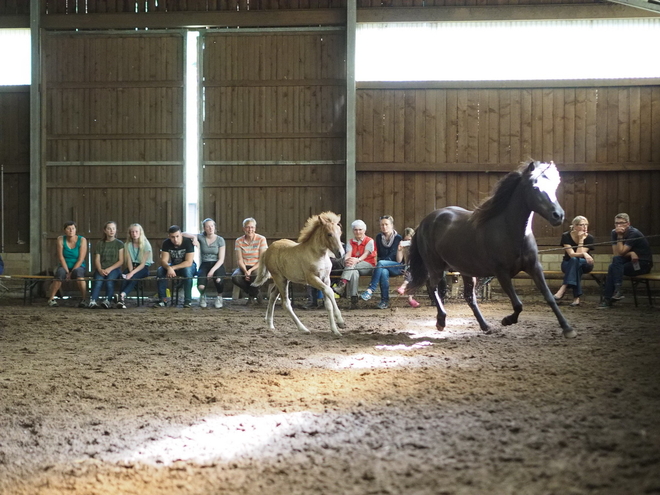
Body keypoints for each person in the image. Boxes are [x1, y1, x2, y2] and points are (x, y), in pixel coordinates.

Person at [599, 213, 653, 309]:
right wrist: (631, 253)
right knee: (614, 265)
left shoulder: (634, 233)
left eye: (621, 223)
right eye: (616, 223)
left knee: (613, 268)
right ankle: (616, 291)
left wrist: (620, 237)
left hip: (643, 263)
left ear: (628, 224)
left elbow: (621, 252)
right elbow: (616, 254)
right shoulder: (614, 232)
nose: (618, 226)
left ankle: (609, 298)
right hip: (628, 261)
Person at [360, 215, 403, 309]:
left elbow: (396, 257)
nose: (384, 227)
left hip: (397, 266)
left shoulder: (398, 238)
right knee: (383, 272)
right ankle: (384, 301)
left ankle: (371, 289)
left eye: (386, 224)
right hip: (383, 266)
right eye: (382, 225)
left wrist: (381, 262)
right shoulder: (379, 237)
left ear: (392, 225)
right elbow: (378, 253)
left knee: (381, 264)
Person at [332, 219, 377, 310]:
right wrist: (347, 260)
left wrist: (357, 260)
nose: (358, 232)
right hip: (354, 266)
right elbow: (348, 254)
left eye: (360, 229)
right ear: (353, 231)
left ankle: (342, 284)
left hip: (368, 265)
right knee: (354, 272)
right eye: (355, 230)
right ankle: (354, 300)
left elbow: (366, 254)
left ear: (364, 230)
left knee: (352, 265)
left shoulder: (369, 241)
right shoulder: (350, 241)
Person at [553, 216, 595, 307]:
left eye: (586, 224)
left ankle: (563, 288)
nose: (585, 227)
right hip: (567, 263)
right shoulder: (566, 236)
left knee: (576, 262)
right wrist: (584, 254)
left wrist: (581, 240)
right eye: (581, 225)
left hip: (585, 263)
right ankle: (576, 298)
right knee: (575, 263)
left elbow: (578, 253)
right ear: (575, 226)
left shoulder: (589, 238)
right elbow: (572, 254)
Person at [46, 221, 88, 307]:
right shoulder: (60, 239)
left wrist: (71, 272)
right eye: (68, 229)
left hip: (78, 265)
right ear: (65, 230)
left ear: (76, 230)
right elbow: (61, 257)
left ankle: (84, 299)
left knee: (79, 274)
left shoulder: (82, 240)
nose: (71, 230)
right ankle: (51, 299)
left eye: (73, 228)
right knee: (59, 273)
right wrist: (67, 271)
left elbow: (81, 259)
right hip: (64, 265)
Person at [187, 218, 226, 309]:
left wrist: (212, 271)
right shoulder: (201, 237)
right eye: (208, 227)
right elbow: (183, 234)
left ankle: (219, 297)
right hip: (205, 263)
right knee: (200, 286)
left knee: (218, 280)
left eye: (212, 226)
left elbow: (221, 259)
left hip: (217, 264)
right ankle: (203, 296)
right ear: (204, 228)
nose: (210, 228)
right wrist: (194, 237)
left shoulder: (220, 240)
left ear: (214, 227)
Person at [155, 225, 196, 308]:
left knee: (187, 271)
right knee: (160, 270)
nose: (175, 239)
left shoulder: (188, 242)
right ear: (169, 236)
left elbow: (188, 262)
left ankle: (187, 300)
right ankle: (163, 300)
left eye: (177, 236)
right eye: (173, 237)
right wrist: (169, 267)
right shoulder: (166, 243)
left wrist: (171, 268)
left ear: (181, 235)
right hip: (174, 266)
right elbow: (163, 261)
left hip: (189, 266)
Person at [115, 223, 153, 309]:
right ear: (130, 233)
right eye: (132, 232)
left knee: (134, 277)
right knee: (124, 276)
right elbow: (128, 260)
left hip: (142, 267)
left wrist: (131, 273)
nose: (134, 234)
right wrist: (130, 271)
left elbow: (143, 264)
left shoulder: (146, 245)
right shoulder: (127, 245)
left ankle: (122, 295)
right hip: (132, 266)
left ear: (140, 233)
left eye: (136, 231)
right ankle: (121, 301)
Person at [89, 221, 124, 309]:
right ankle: (93, 301)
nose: (111, 230)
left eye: (113, 228)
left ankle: (107, 300)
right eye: (109, 228)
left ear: (116, 230)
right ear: (105, 231)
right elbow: (97, 259)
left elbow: (121, 261)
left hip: (114, 269)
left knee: (109, 281)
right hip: (102, 268)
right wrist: (100, 269)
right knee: (97, 281)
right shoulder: (100, 243)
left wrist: (109, 269)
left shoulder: (119, 244)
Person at [232, 217, 268, 304]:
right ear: (243, 228)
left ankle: (251, 298)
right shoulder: (239, 241)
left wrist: (250, 270)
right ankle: (256, 293)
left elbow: (262, 259)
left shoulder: (261, 239)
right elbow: (239, 260)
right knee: (235, 277)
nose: (250, 229)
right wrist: (245, 271)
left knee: (255, 276)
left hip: (257, 266)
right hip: (244, 266)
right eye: (247, 227)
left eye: (252, 227)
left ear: (255, 228)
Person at [396, 227, 421, 308]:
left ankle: (403, 286)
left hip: (419, 267)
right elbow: (399, 260)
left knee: (412, 273)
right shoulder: (404, 248)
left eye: (409, 240)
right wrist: (400, 250)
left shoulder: (418, 247)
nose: (408, 242)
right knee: (410, 273)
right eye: (406, 240)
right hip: (408, 267)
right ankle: (410, 299)